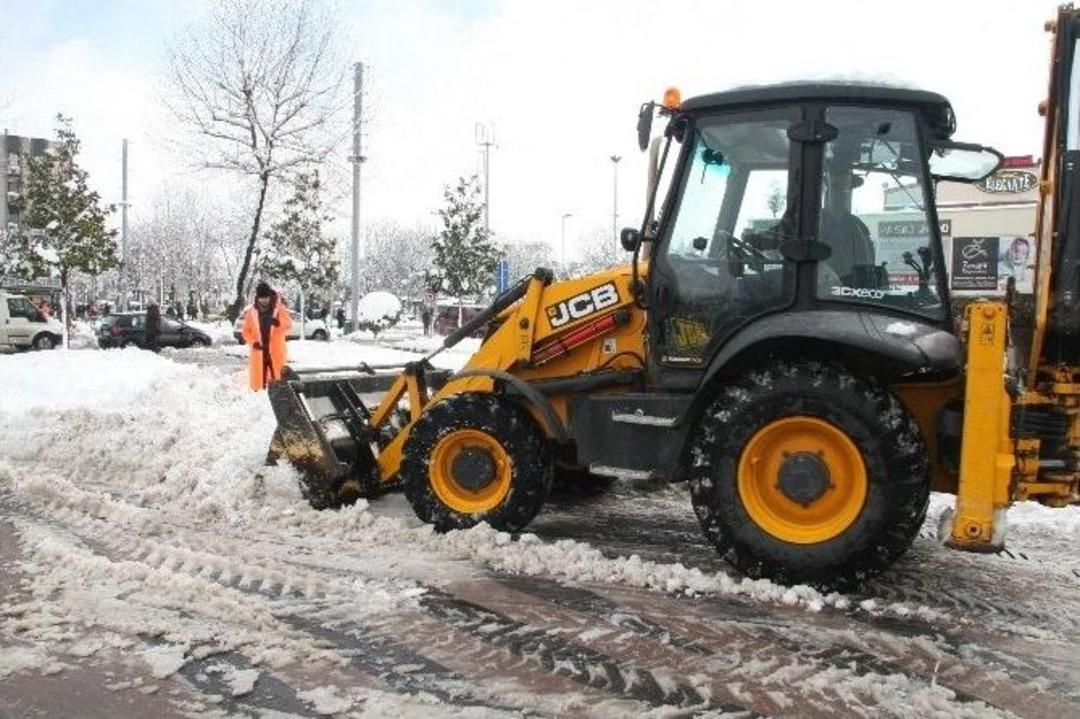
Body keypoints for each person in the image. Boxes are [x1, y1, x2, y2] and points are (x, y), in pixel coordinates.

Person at [241, 281, 293, 391]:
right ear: (258, 298)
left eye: (266, 297)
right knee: (259, 383)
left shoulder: (279, 309)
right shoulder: (251, 312)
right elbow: (245, 331)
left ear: (270, 296)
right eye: (261, 298)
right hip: (259, 351)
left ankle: (280, 395)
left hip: (276, 350)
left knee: (278, 380)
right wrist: (253, 343)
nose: (264, 300)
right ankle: (259, 397)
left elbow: (288, 324)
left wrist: (278, 324)